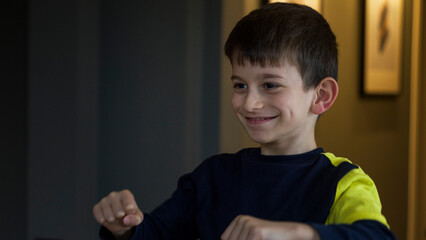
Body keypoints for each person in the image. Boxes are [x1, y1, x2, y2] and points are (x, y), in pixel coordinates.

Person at [93, 3, 396, 240]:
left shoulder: (343, 182)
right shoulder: (212, 177)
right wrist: (126, 227)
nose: (249, 103)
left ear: (321, 95)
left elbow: (375, 236)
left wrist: (299, 232)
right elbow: (156, 234)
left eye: (270, 85)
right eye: (240, 85)